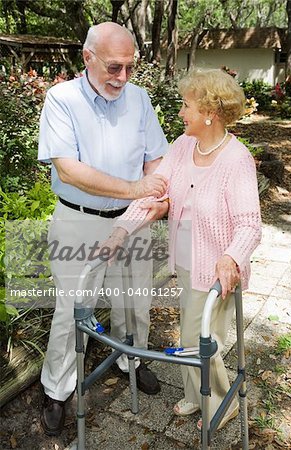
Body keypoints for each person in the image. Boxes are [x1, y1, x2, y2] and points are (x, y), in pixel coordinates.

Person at [103, 68, 262, 430]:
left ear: (210, 111)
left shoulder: (236, 160)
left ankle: (222, 403)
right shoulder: (181, 147)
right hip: (188, 261)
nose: (180, 112)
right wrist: (120, 231)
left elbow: (250, 224)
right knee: (194, 335)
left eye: (186, 105)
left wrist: (231, 257)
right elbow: (154, 195)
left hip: (220, 268)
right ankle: (196, 395)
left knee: (198, 338)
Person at [38, 22, 169, 436]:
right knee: (72, 308)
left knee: (134, 302)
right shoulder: (61, 99)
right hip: (79, 220)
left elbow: (156, 163)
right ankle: (57, 389)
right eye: (114, 67)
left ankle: (132, 359)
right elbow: (69, 169)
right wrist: (135, 187)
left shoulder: (140, 99)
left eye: (130, 67)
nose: (123, 77)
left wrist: (152, 197)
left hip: (131, 223)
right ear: (87, 57)